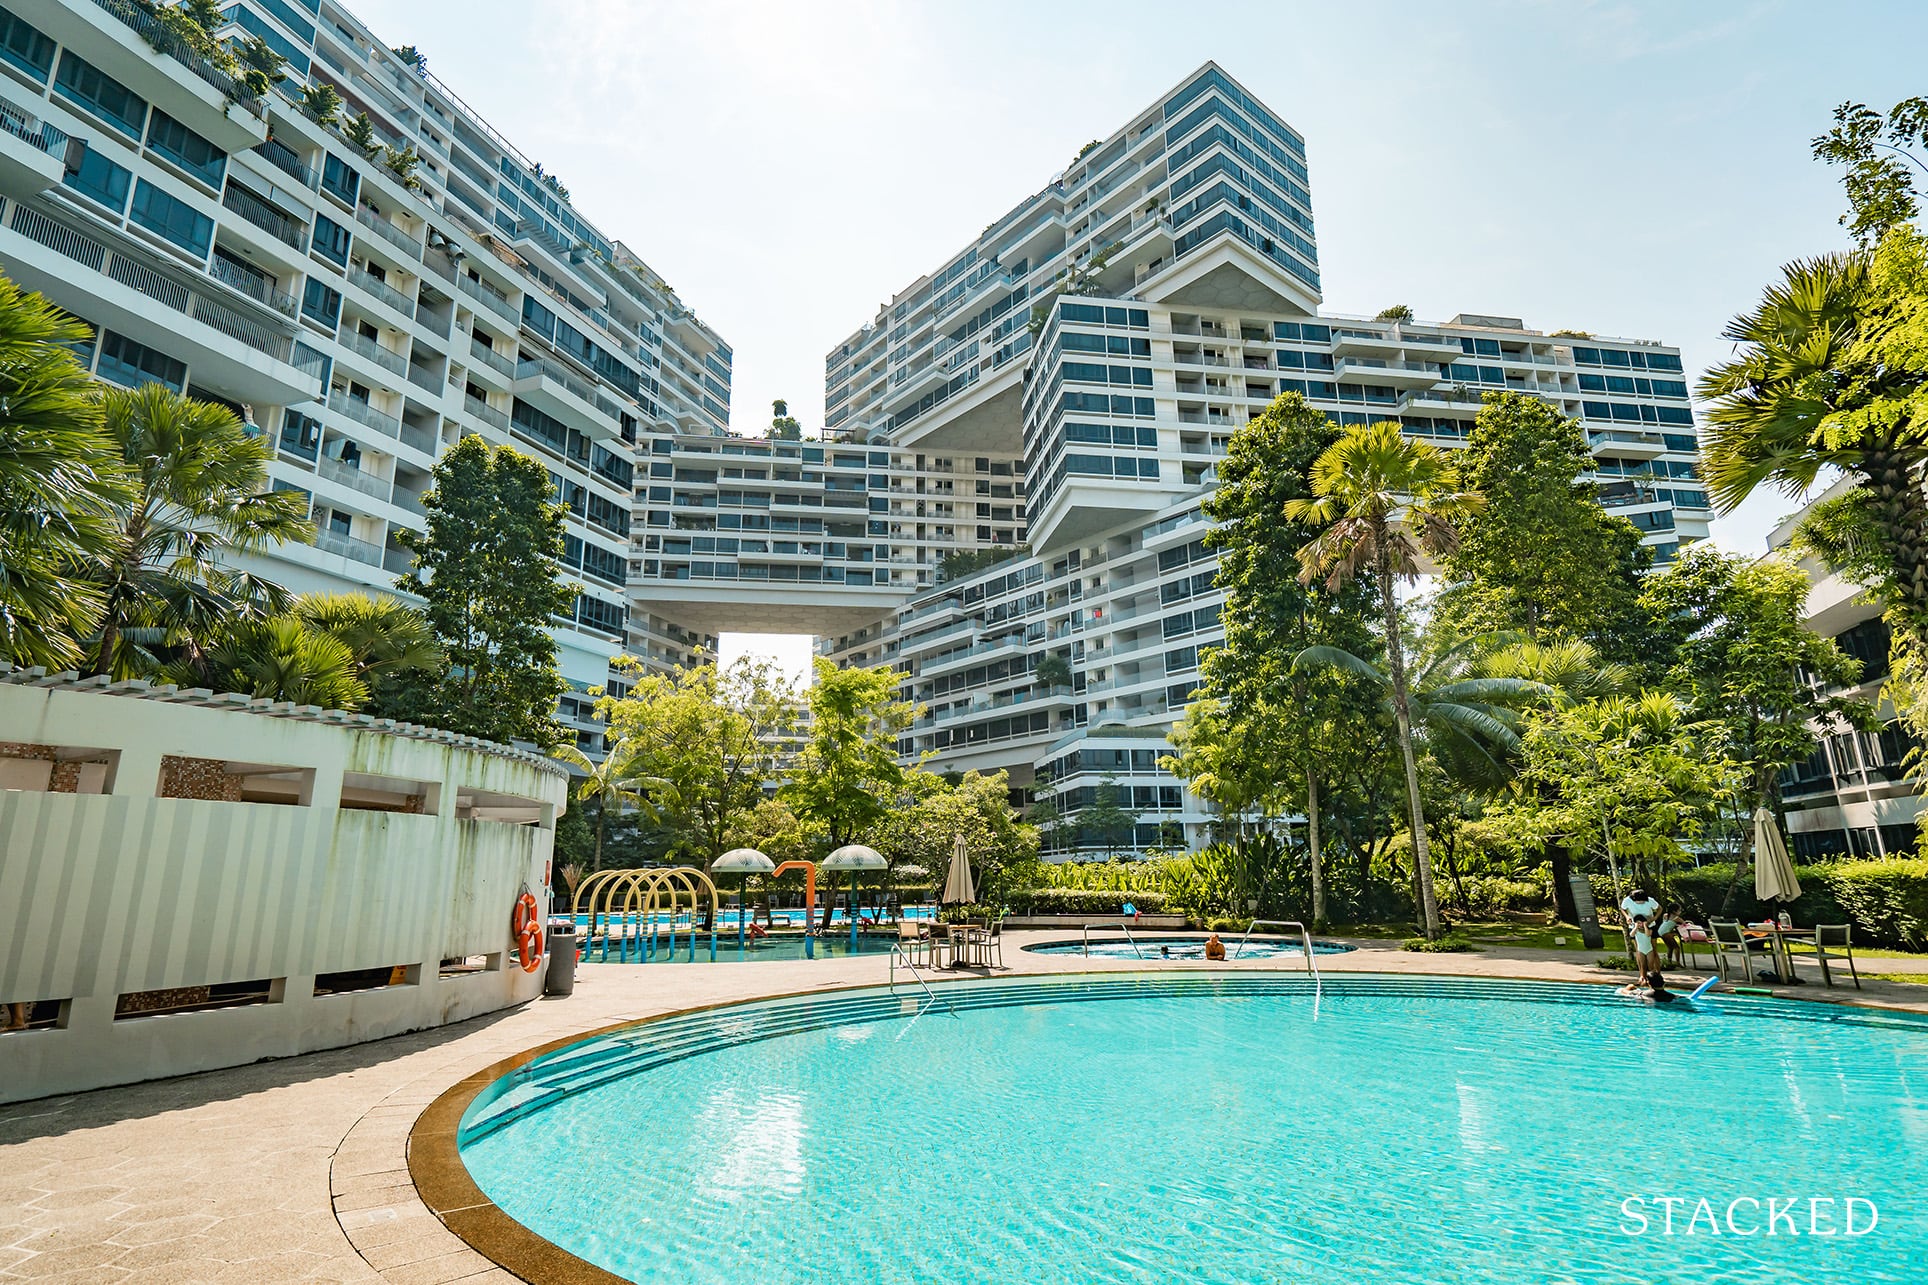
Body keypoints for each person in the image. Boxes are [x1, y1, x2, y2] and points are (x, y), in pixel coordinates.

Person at [1630, 915, 1662, 987]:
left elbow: (1647, 934)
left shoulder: (1649, 930)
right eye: (1638, 923)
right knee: (1643, 966)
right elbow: (1631, 935)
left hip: (1649, 950)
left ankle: (1654, 979)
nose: (1640, 924)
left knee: (1651, 966)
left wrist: (1645, 926)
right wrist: (1635, 927)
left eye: (1641, 923)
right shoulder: (1635, 931)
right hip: (1640, 950)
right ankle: (1643, 979)